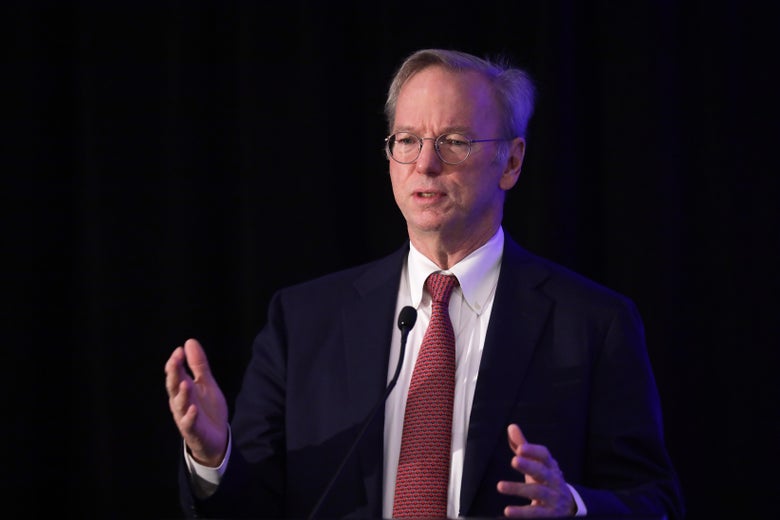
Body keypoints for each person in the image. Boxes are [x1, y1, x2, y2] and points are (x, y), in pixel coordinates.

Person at [165, 48, 684, 519]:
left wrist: (571, 505)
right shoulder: (303, 322)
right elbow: (252, 507)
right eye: (408, 141)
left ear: (512, 160)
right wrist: (214, 458)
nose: (426, 164)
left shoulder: (593, 323)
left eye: (454, 142)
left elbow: (655, 503)